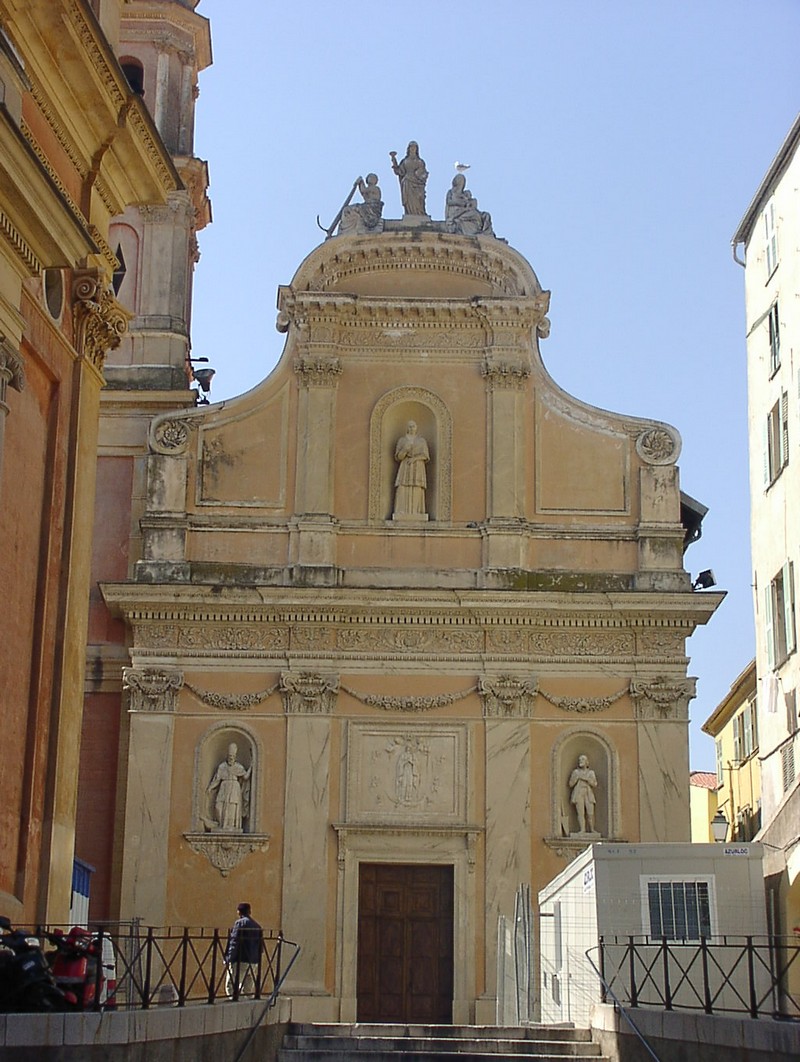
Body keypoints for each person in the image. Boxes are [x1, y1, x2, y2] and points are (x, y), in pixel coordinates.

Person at [207, 743, 251, 831]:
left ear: (235, 757)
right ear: (227, 756)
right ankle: (221, 824)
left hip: (234, 787)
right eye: (230, 756)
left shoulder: (238, 767)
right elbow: (217, 779)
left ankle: (232, 826)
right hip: (224, 786)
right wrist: (210, 788)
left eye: (233, 756)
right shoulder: (222, 766)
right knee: (218, 805)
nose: (231, 758)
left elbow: (245, 776)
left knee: (232, 806)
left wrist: (251, 766)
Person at [225, 902, 263, 998]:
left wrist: (229, 958)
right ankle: (247, 1006)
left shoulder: (239, 924)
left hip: (241, 960)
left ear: (238, 912)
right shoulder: (257, 926)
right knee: (248, 989)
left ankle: (235, 1004)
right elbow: (261, 946)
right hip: (253, 961)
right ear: (249, 911)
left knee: (231, 986)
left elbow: (234, 942)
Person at [393, 420, 430, 516]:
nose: (411, 428)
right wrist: (405, 449)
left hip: (418, 466)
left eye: (413, 426)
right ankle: (401, 511)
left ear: (416, 427)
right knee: (403, 486)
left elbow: (425, 455)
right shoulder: (402, 440)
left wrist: (415, 459)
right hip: (405, 466)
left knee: (417, 487)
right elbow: (398, 456)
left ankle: (416, 511)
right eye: (410, 426)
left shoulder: (421, 441)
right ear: (407, 428)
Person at [389, 141, 428, 216]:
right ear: (408, 149)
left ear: (417, 149)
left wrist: (421, 176)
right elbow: (400, 171)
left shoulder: (420, 162)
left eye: (415, 147)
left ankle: (420, 212)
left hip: (418, 184)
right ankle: (409, 213)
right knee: (409, 201)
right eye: (411, 147)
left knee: (419, 200)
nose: (413, 149)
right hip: (407, 182)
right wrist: (394, 160)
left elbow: (424, 173)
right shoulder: (405, 161)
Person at [569, 754, 598, 834]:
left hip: (588, 793)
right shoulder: (576, 772)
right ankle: (582, 829)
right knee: (580, 812)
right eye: (579, 760)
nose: (580, 761)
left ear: (586, 762)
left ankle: (592, 829)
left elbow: (594, 784)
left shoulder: (591, 773)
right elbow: (571, 784)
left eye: (582, 760)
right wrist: (576, 778)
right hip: (579, 793)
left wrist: (586, 779)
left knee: (590, 812)